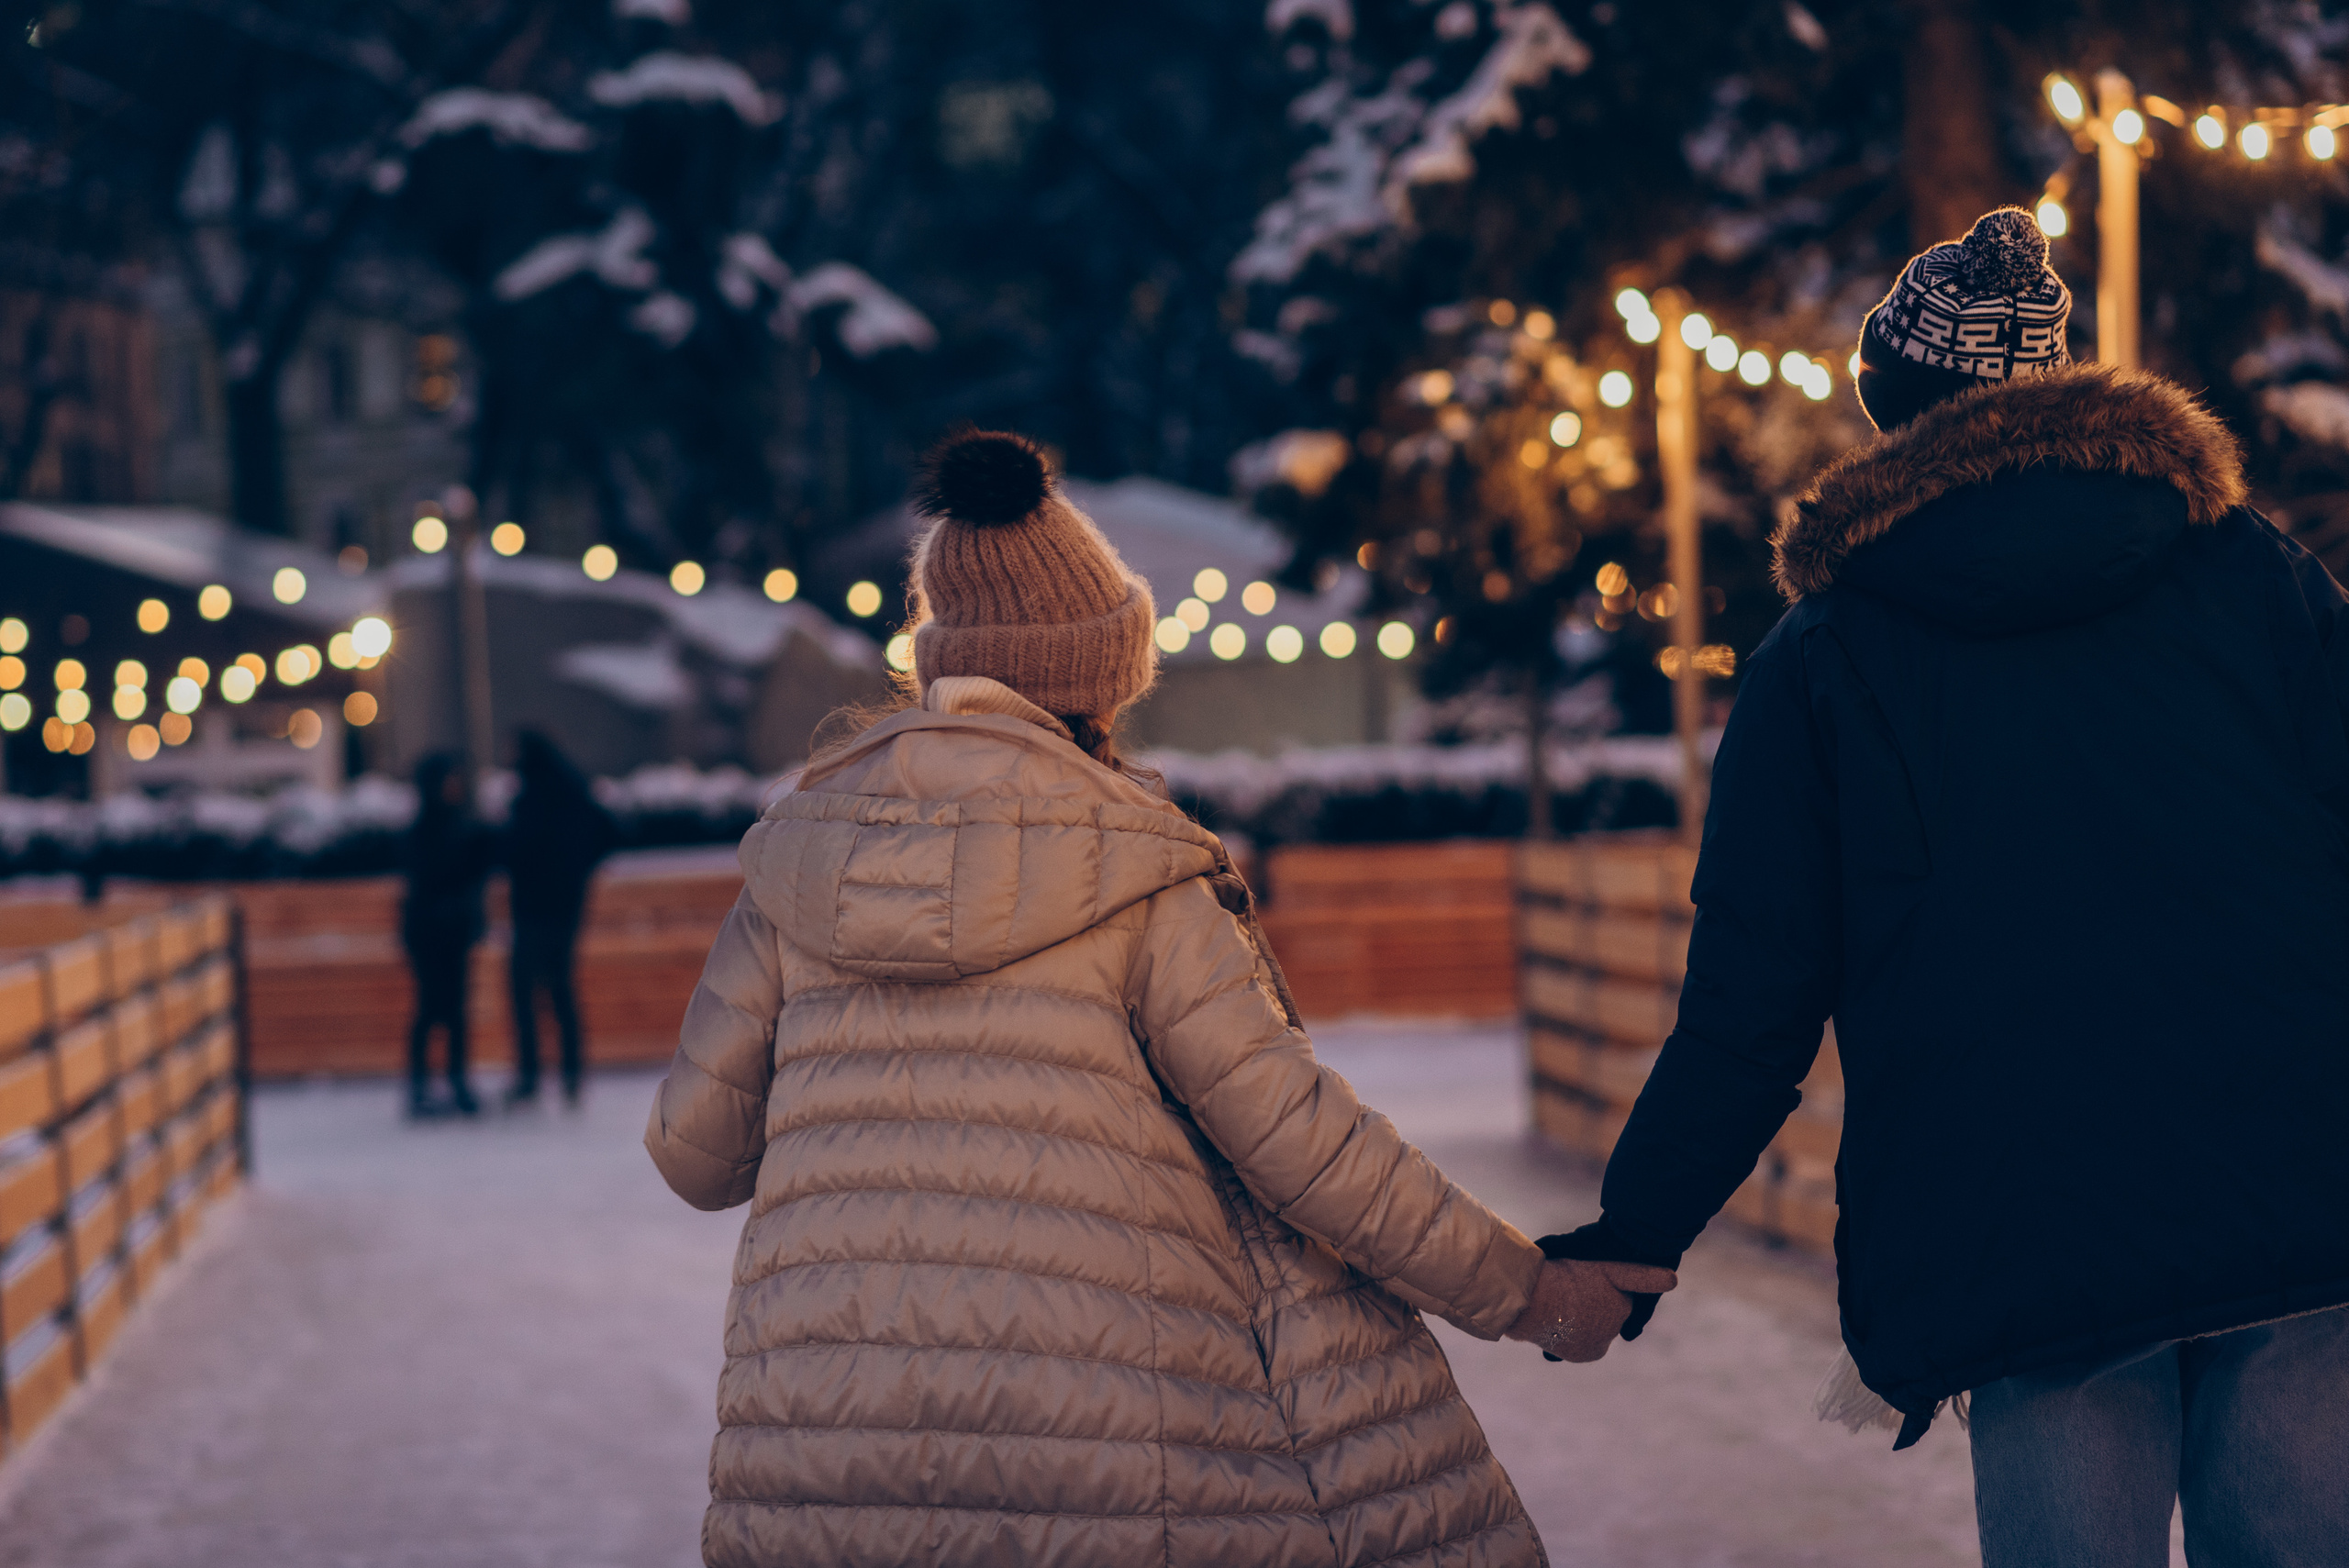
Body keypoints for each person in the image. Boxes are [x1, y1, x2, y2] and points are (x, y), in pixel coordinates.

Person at [646, 428, 1675, 1568]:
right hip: (1111, 1443)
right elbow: (1303, 1145)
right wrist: (1525, 1291)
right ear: (1095, 677)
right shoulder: (1137, 867)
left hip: (819, 1455)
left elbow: (695, 1155)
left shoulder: (794, 865)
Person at [1550, 207, 2349, 1565]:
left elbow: (1755, 989)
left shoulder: (1831, 649)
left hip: (2031, 1228)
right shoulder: (2254, 575)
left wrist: (1637, 1236)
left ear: (1897, 415)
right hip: (2301, 1187)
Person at [503, 728, 618, 1107]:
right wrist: (577, 875)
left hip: (536, 908)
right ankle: (569, 1075)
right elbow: (608, 832)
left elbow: (518, 848)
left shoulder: (533, 796)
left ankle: (531, 1077)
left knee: (527, 991)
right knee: (559, 990)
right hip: (563, 907)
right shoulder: (570, 789)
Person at [402, 751, 495, 1119]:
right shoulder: (428, 831)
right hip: (431, 934)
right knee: (430, 1011)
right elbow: (435, 878)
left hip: (454, 934)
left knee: (453, 1012)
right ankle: (423, 1086)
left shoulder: (459, 826)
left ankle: (455, 1082)